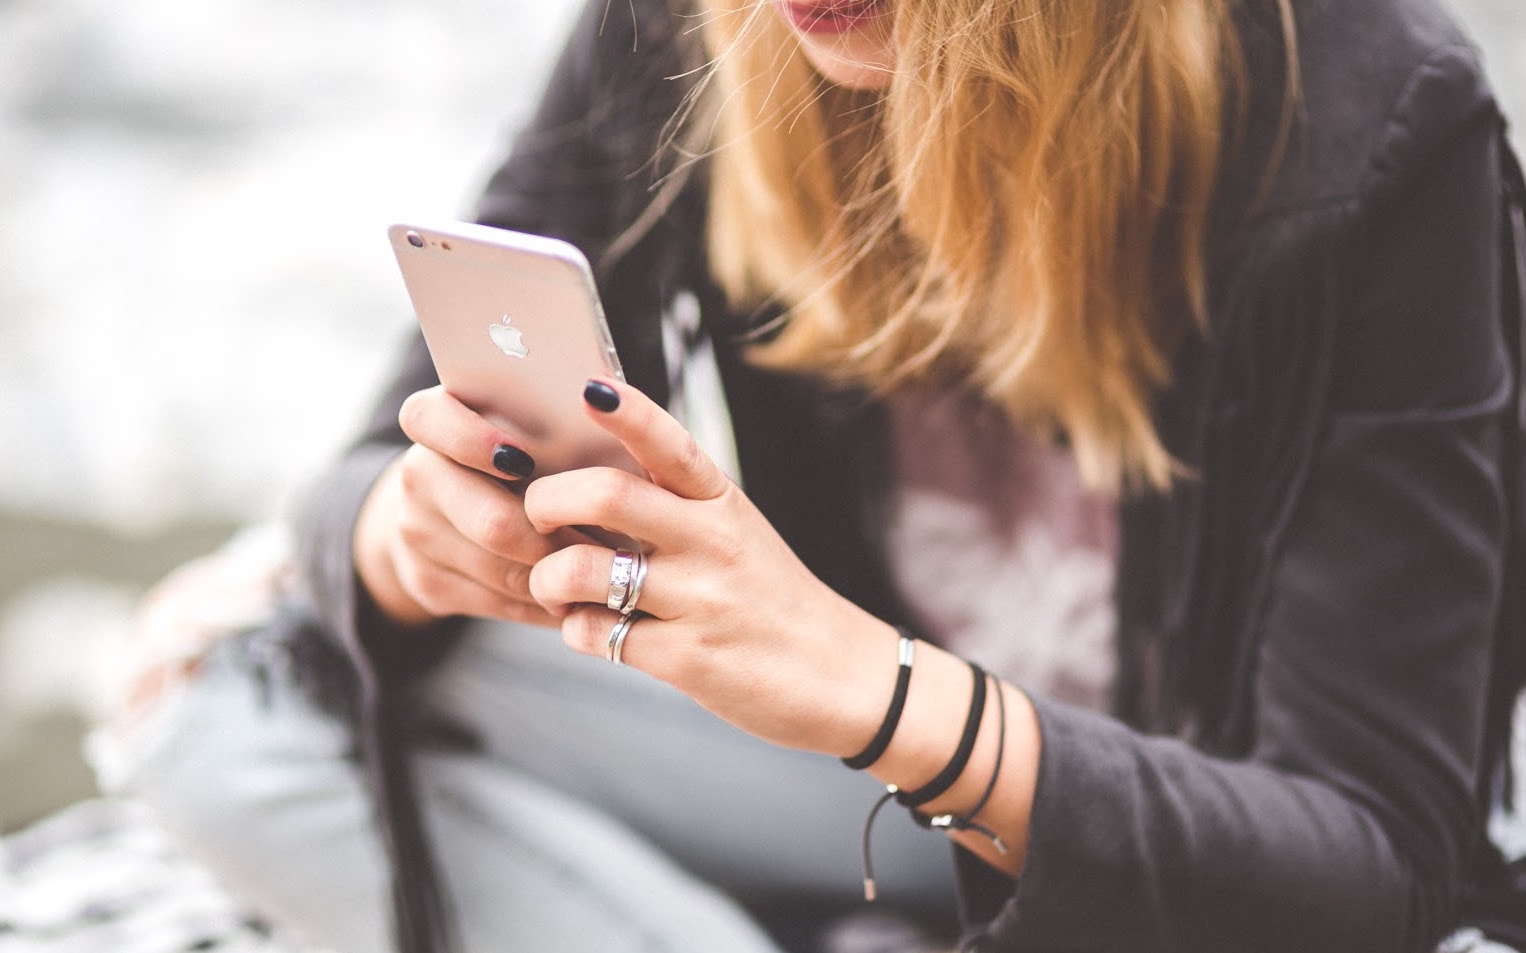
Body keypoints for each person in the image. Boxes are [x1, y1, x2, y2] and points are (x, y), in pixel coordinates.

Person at [117, 0, 1526, 950]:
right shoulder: (697, 30)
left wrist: (878, 688)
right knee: (214, 702)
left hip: (1142, 829)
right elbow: (372, 460)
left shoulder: (1377, 118)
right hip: (867, 796)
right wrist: (403, 535)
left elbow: (1375, 859)